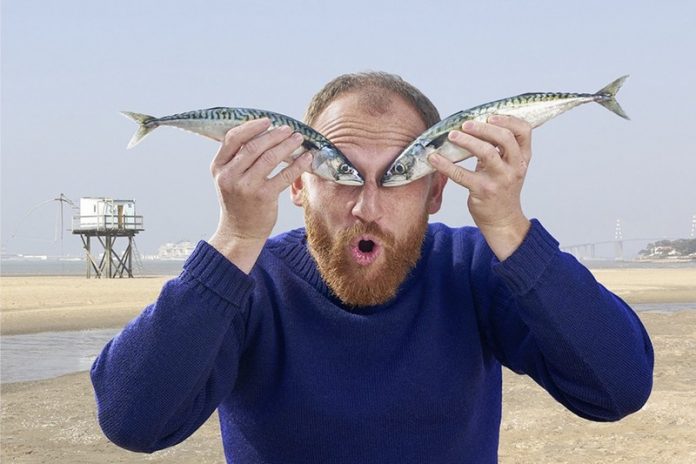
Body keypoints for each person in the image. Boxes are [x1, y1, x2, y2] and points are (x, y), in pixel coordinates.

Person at [91, 72, 654, 463]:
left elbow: (617, 388)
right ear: (296, 185)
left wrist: (509, 227)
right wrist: (235, 239)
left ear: (437, 191)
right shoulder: (249, 285)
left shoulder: (476, 268)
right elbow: (132, 420)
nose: (367, 205)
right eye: (340, 174)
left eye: (398, 176)